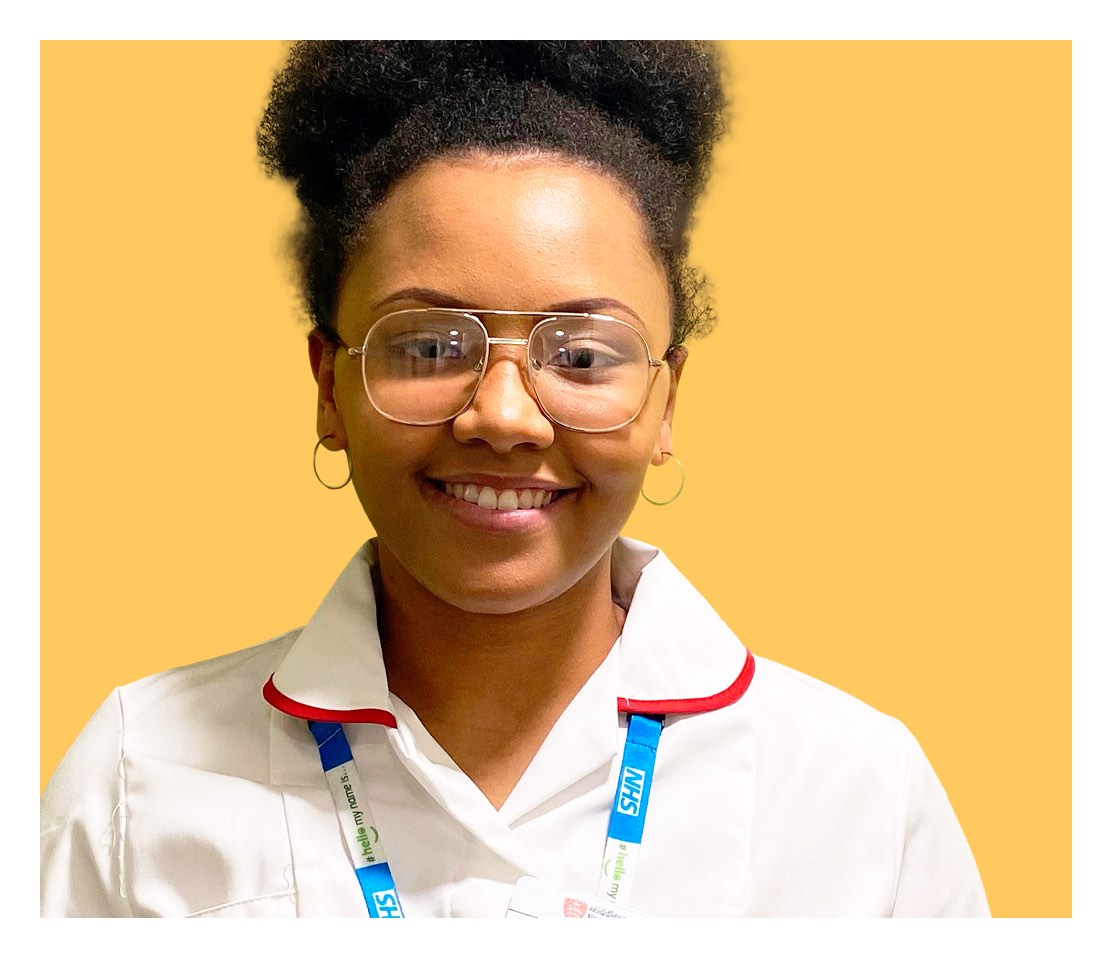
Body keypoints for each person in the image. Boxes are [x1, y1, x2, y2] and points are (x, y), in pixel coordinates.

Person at [40, 40, 989, 918]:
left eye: (580, 354)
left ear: (666, 404)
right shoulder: (138, 772)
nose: (502, 415)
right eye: (426, 345)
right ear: (329, 388)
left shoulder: (856, 793)